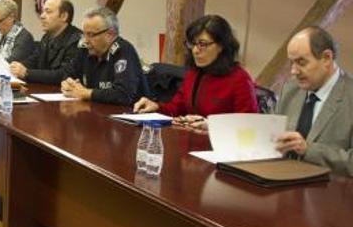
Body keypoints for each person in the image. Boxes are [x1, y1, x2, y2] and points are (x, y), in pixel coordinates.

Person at [133, 15, 257, 129]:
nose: (195, 51)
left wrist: (212, 125)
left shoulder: (239, 79)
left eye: (202, 44)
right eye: (193, 44)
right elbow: (177, 108)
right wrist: (156, 107)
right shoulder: (195, 73)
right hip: (190, 142)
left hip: (220, 147)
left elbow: (249, 126)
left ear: (221, 46)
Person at [275, 27, 353, 176]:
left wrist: (308, 150)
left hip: (331, 194)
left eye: (301, 62)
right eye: (291, 63)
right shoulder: (290, 90)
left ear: (326, 58)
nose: (293, 71)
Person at [60, 7, 149, 106]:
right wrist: (67, 84)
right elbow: (68, 74)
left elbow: (123, 95)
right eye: (84, 34)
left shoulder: (123, 51)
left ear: (110, 34)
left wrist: (86, 93)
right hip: (96, 111)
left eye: (91, 35)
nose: (85, 40)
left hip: (128, 115)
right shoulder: (86, 49)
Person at [9, 0, 81, 84]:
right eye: (43, 12)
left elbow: (64, 74)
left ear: (64, 16)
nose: (42, 16)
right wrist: (14, 67)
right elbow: (33, 60)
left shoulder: (77, 40)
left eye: (48, 12)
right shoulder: (47, 37)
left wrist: (27, 73)